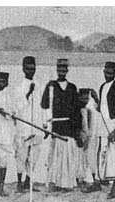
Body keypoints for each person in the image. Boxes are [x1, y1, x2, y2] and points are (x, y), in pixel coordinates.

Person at [87, 61, 115, 199]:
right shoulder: (103, 87)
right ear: (103, 72)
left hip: (114, 127)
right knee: (100, 155)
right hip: (102, 126)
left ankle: (114, 188)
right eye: (106, 72)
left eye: (111, 73)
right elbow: (101, 109)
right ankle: (97, 182)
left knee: (114, 157)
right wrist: (95, 100)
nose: (108, 75)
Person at [41, 58, 82, 192]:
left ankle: (67, 183)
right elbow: (44, 105)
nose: (61, 72)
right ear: (56, 70)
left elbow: (76, 109)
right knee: (57, 154)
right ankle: (56, 183)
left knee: (68, 153)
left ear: (67, 71)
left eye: (64, 70)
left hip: (69, 125)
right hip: (57, 125)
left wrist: (77, 130)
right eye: (59, 70)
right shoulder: (51, 86)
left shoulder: (72, 87)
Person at [14, 56, 44, 193]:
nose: (31, 71)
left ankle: (28, 181)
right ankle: (19, 183)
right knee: (21, 156)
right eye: (28, 69)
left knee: (34, 156)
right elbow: (17, 108)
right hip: (24, 128)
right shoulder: (19, 87)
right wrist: (28, 94)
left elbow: (43, 107)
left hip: (36, 126)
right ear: (23, 69)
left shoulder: (39, 85)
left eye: (33, 69)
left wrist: (44, 124)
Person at [77, 88, 96, 190]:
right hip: (79, 137)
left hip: (87, 137)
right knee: (79, 157)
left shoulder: (89, 111)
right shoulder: (77, 110)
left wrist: (88, 138)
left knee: (85, 158)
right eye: (83, 98)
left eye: (87, 98)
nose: (85, 101)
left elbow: (90, 128)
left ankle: (87, 179)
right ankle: (79, 178)